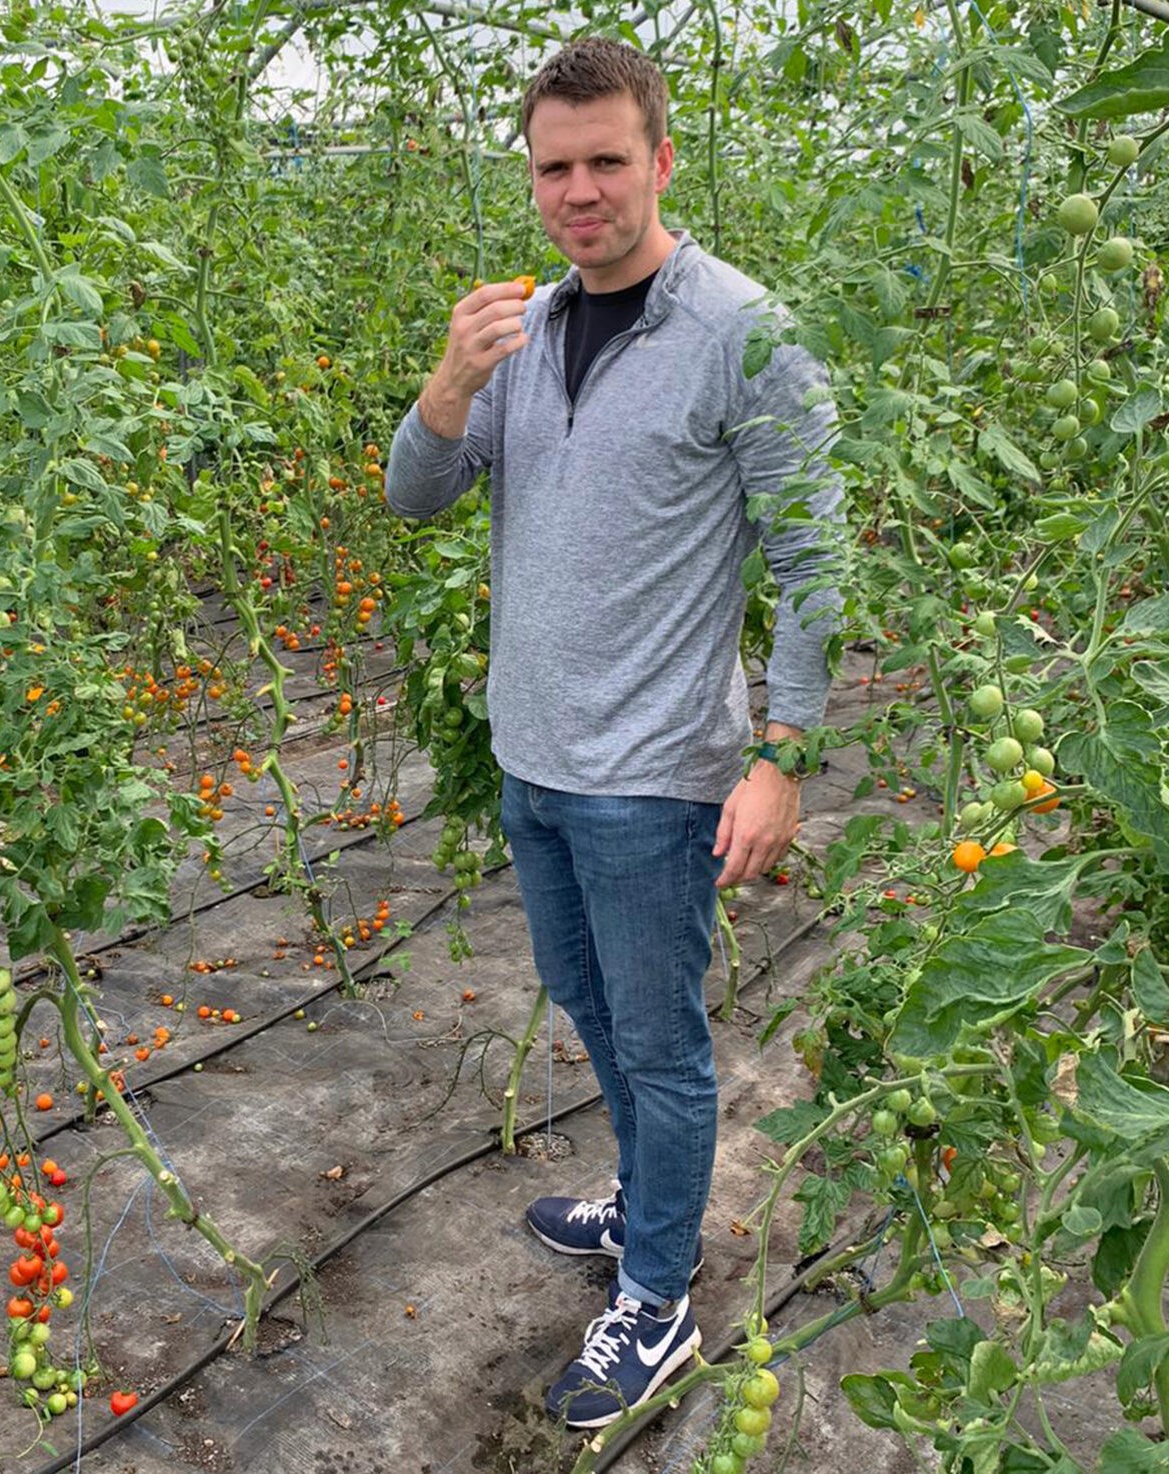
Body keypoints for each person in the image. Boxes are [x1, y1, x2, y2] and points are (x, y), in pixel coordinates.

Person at [385, 36, 844, 1429]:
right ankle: (648, 1201)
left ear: (660, 159)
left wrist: (783, 753)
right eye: (553, 168)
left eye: (605, 161)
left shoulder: (744, 334)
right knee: (587, 1004)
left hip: (653, 775)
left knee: (658, 1045)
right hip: (532, 756)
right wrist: (448, 385)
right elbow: (416, 496)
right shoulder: (517, 331)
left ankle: (657, 1297)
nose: (578, 191)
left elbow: (816, 560)